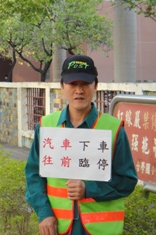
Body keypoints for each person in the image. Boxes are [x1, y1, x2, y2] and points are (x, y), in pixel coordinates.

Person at [25, 55, 138, 235]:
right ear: (62, 86)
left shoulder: (113, 129)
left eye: (85, 84)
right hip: (58, 228)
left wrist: (89, 189)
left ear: (96, 86)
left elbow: (127, 181)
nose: (79, 90)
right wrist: (44, 212)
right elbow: (33, 174)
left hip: (101, 229)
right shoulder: (47, 127)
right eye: (73, 84)